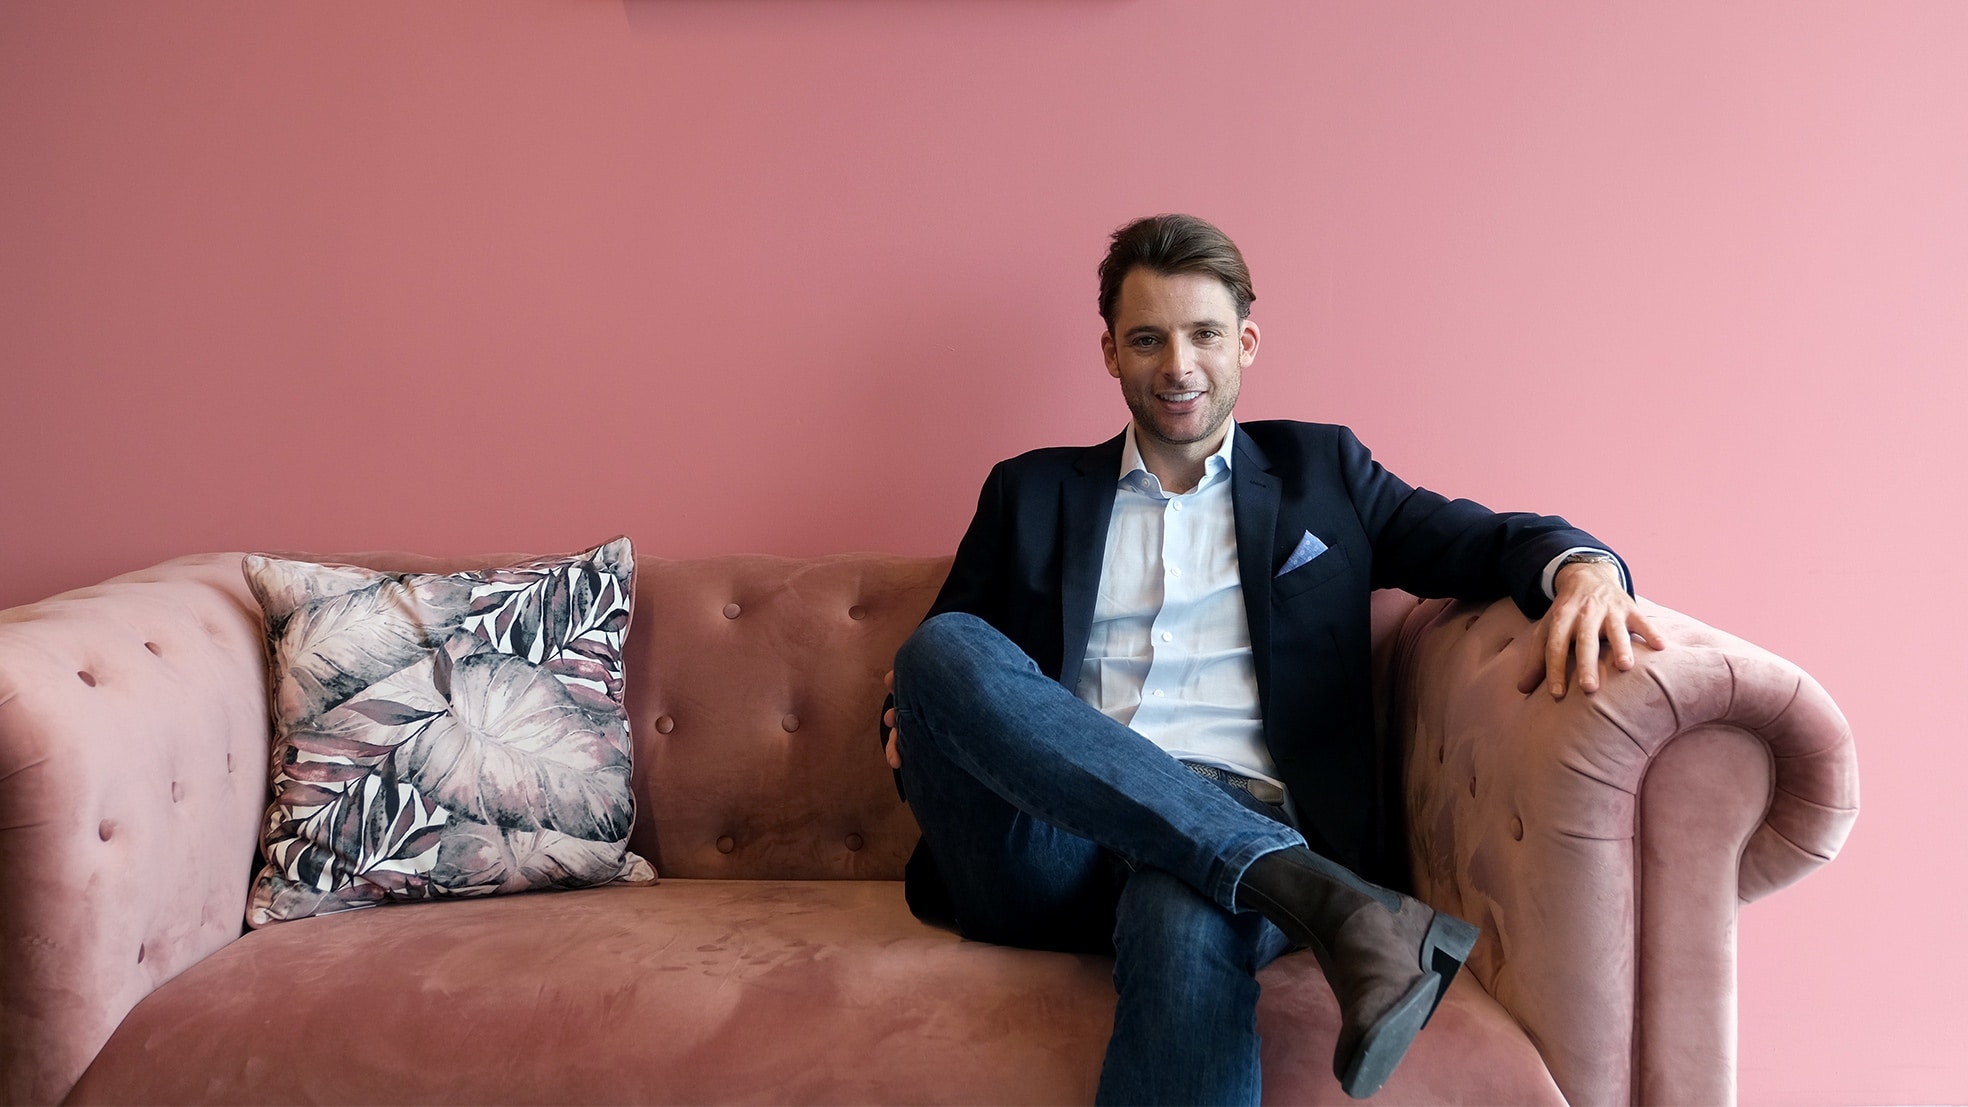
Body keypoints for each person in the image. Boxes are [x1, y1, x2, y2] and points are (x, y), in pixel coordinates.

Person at [881, 213, 1662, 1104]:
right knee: (940, 646)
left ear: (1245, 343)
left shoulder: (1323, 471)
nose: (1178, 365)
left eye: (1204, 334)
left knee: (1186, 906)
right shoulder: (1028, 489)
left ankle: (1262, 871)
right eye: (1148, 338)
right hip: (1053, 840)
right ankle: (1324, 898)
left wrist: (1587, 570)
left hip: (1249, 804)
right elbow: (946, 670)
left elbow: (1486, 542)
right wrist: (904, 724)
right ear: (1111, 353)